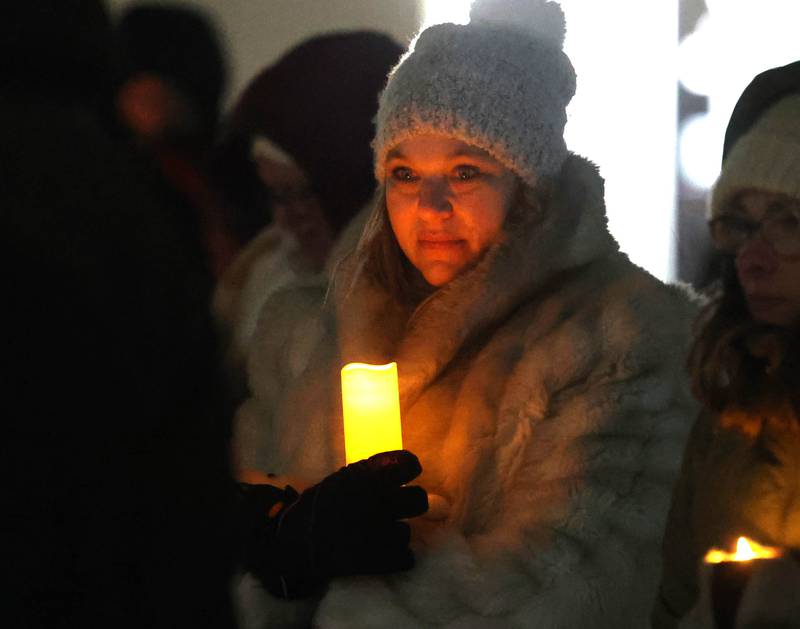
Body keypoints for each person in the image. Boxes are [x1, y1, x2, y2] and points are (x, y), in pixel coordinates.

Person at [234, 0, 699, 626]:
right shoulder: (313, 330)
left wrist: (352, 579)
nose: (430, 204)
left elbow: (563, 587)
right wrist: (285, 558)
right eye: (403, 172)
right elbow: (235, 539)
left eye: (465, 170)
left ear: (527, 185)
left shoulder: (618, 335)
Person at [653, 61, 800, 629]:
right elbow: (674, 594)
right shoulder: (731, 399)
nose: (753, 260)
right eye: (740, 224)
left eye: (790, 221)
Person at [209, 32, 403, 380]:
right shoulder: (264, 278)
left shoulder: (408, 305)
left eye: (303, 193)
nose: (287, 220)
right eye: (276, 194)